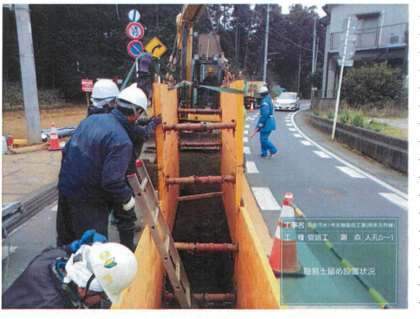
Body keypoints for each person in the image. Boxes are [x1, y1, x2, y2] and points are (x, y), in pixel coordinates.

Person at [56, 84, 161, 251]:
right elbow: (112, 181)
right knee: (93, 247)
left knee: (67, 240)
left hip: (66, 187)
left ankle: (60, 272)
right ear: (136, 113)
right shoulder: (121, 141)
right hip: (89, 197)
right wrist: (127, 199)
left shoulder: (92, 120)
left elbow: (67, 150)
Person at [2, 230, 138, 309]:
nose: (102, 301)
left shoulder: (52, 260)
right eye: (103, 296)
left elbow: (61, 251)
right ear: (82, 288)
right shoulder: (53, 307)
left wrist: (73, 247)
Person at [256, 85, 278, 158]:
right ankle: (264, 153)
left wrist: (261, 123)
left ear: (262, 94)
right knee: (264, 138)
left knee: (263, 139)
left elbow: (265, 114)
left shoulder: (265, 101)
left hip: (267, 122)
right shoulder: (268, 99)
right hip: (269, 121)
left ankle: (273, 150)